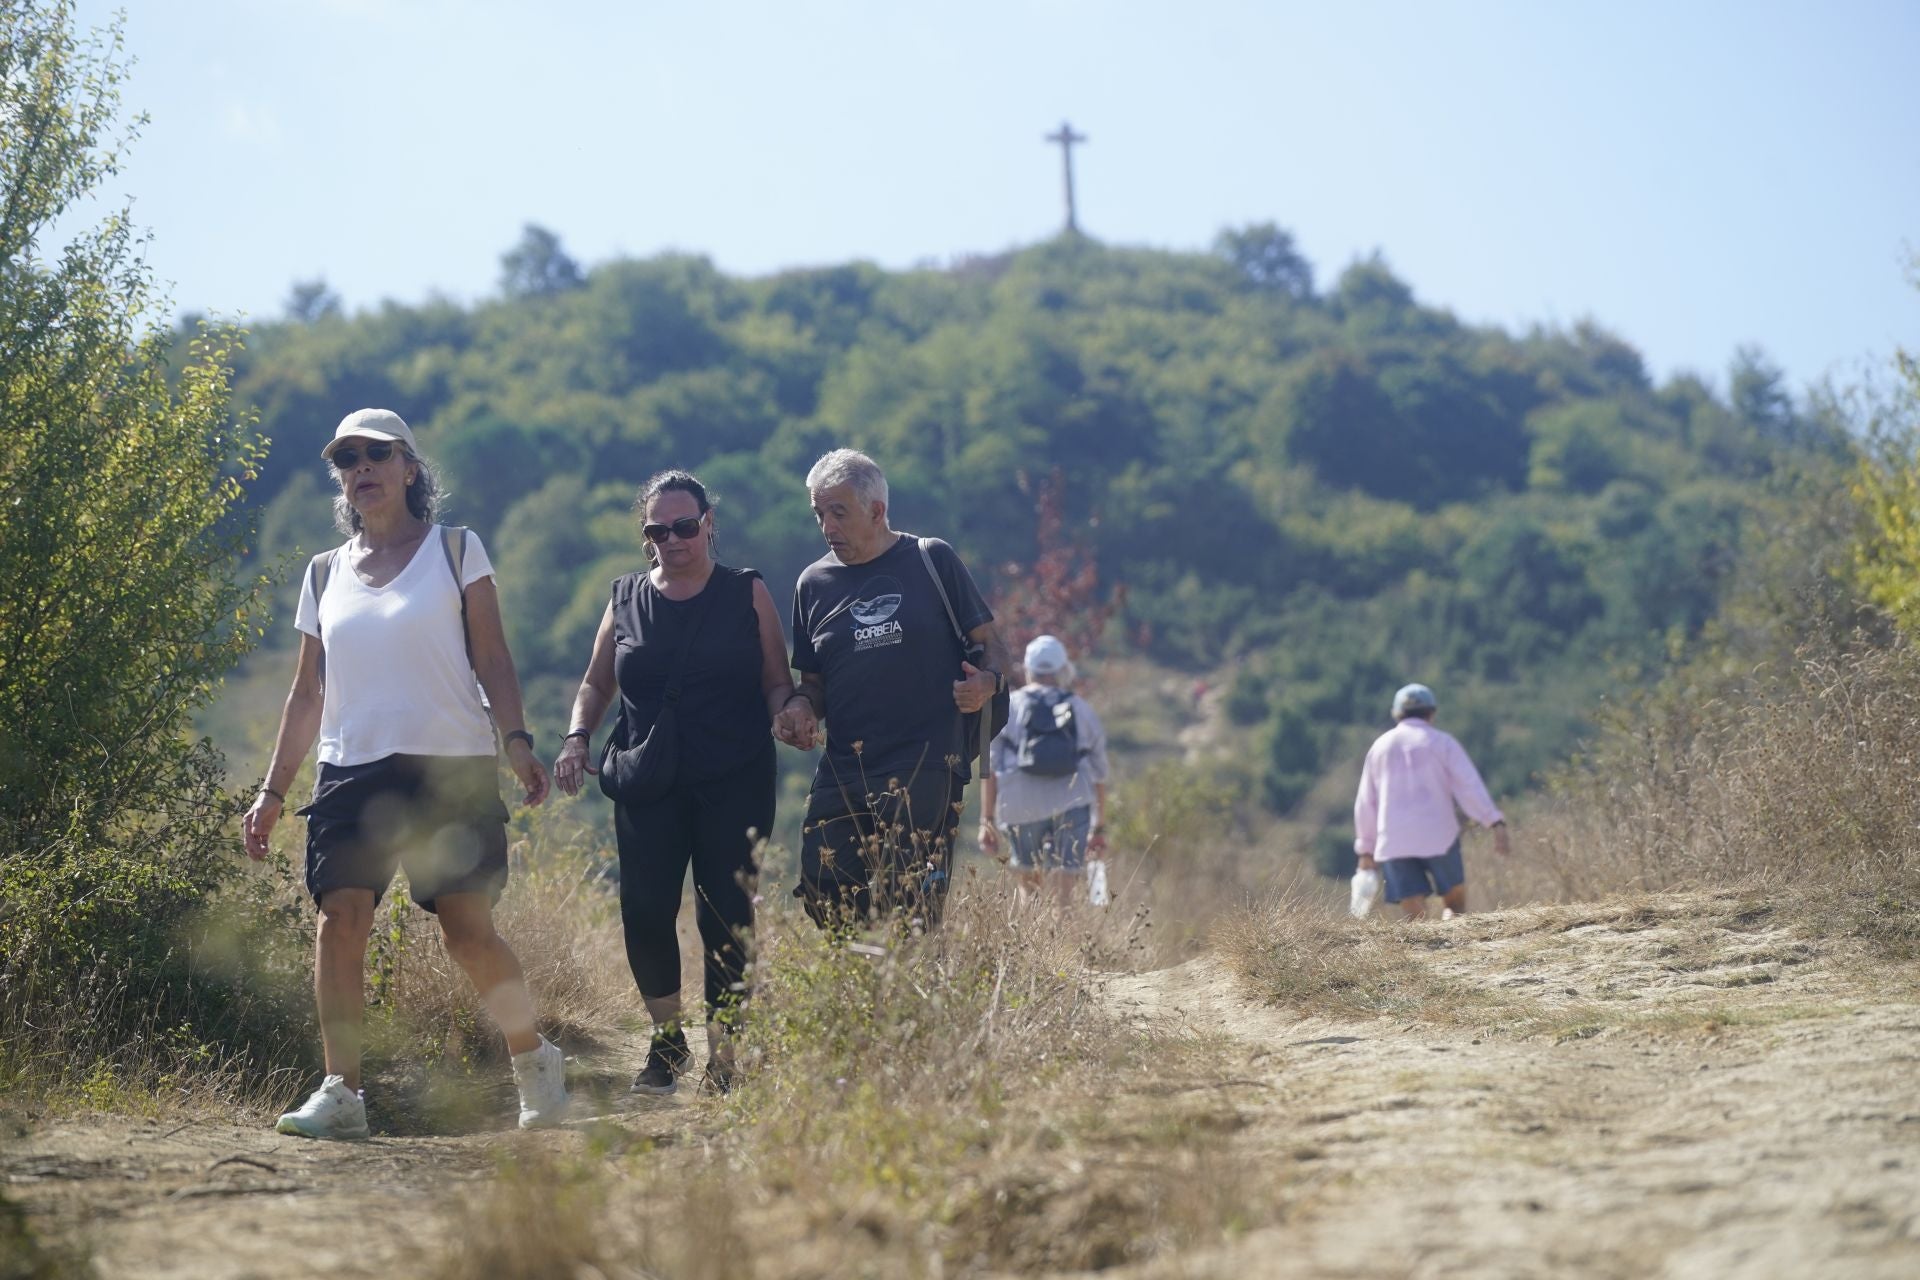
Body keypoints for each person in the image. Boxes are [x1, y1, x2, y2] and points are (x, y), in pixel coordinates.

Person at [241, 408, 567, 1139]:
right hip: (349, 766)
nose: (360, 468)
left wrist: (516, 743)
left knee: (467, 933)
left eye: (376, 455)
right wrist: (271, 792)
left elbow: (494, 659)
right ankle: (341, 1094)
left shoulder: (456, 551)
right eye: (347, 459)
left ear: (410, 468)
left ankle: (535, 1064)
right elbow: (305, 693)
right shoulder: (324, 572)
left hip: (448, 765)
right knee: (339, 919)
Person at [552, 470, 798, 1096]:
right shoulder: (626, 595)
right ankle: (667, 1046)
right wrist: (577, 736)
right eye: (658, 530)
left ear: (709, 524)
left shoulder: (746, 592)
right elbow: (596, 682)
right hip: (649, 778)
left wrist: (788, 711)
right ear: (646, 537)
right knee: (645, 913)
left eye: (685, 527)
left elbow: (776, 675)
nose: (673, 540)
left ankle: (726, 1059)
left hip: (734, 778)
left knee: (725, 913)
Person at [779, 448, 1013, 930]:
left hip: (927, 761)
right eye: (819, 513)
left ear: (877, 510)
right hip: (847, 763)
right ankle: (866, 986)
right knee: (824, 883)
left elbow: (993, 648)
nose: (827, 526)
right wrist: (801, 707)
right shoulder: (813, 584)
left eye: (838, 512)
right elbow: (814, 683)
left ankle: (912, 991)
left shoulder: (931, 559)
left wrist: (986, 684)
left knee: (910, 900)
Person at [1352, 683, 1511, 921]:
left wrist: (1366, 848)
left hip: (1394, 840)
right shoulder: (1443, 743)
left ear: (1396, 714)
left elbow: (1366, 801)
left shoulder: (1380, 747)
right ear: (1431, 713)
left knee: (1414, 913)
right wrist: (1494, 821)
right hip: (1439, 836)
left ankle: (1431, 954)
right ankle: (1456, 941)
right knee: (1455, 904)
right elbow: (1469, 786)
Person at [978, 635, 1112, 906]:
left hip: (1020, 803)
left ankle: (1033, 943)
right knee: (1064, 894)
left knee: (1029, 889)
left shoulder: (1009, 707)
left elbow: (989, 769)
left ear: (1028, 669)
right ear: (1063, 670)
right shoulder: (1081, 708)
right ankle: (1064, 942)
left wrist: (987, 821)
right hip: (1072, 801)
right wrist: (1099, 826)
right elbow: (1099, 774)